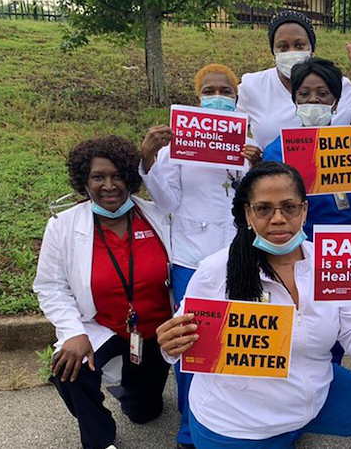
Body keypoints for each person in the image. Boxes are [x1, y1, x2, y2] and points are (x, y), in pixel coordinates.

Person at [155, 161, 351, 448]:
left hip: (315, 392)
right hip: (240, 423)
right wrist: (169, 345)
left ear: (304, 211)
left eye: (289, 207)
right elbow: (182, 347)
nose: (278, 218)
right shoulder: (216, 270)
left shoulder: (330, 263)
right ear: (248, 214)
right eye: (264, 208)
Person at [139, 63, 261, 449]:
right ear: (197, 98)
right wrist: (148, 158)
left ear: (236, 97)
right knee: (192, 341)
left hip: (240, 256)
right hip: (191, 259)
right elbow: (167, 200)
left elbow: (254, 201)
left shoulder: (245, 143)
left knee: (242, 336)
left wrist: (254, 167)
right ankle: (191, 429)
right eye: (210, 90)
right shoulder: (177, 148)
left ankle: (239, 415)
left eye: (225, 91)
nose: (218, 96)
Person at [33, 136, 173, 449]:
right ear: (85, 180)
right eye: (98, 177)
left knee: (143, 413)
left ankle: (128, 388)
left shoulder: (157, 218)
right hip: (105, 329)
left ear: (130, 179)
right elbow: (50, 286)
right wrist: (71, 332)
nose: (109, 185)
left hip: (156, 333)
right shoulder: (64, 226)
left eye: (117, 176)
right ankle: (99, 439)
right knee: (69, 367)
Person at [237, 10, 351, 149]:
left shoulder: (338, 85)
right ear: (273, 51)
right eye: (283, 47)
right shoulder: (253, 86)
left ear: (311, 49)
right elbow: (229, 136)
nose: (292, 52)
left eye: (299, 45)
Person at [262, 57, 351, 240]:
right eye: (304, 94)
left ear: (336, 103)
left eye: (323, 93)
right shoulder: (277, 151)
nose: (313, 100)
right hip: (301, 246)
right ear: (295, 101)